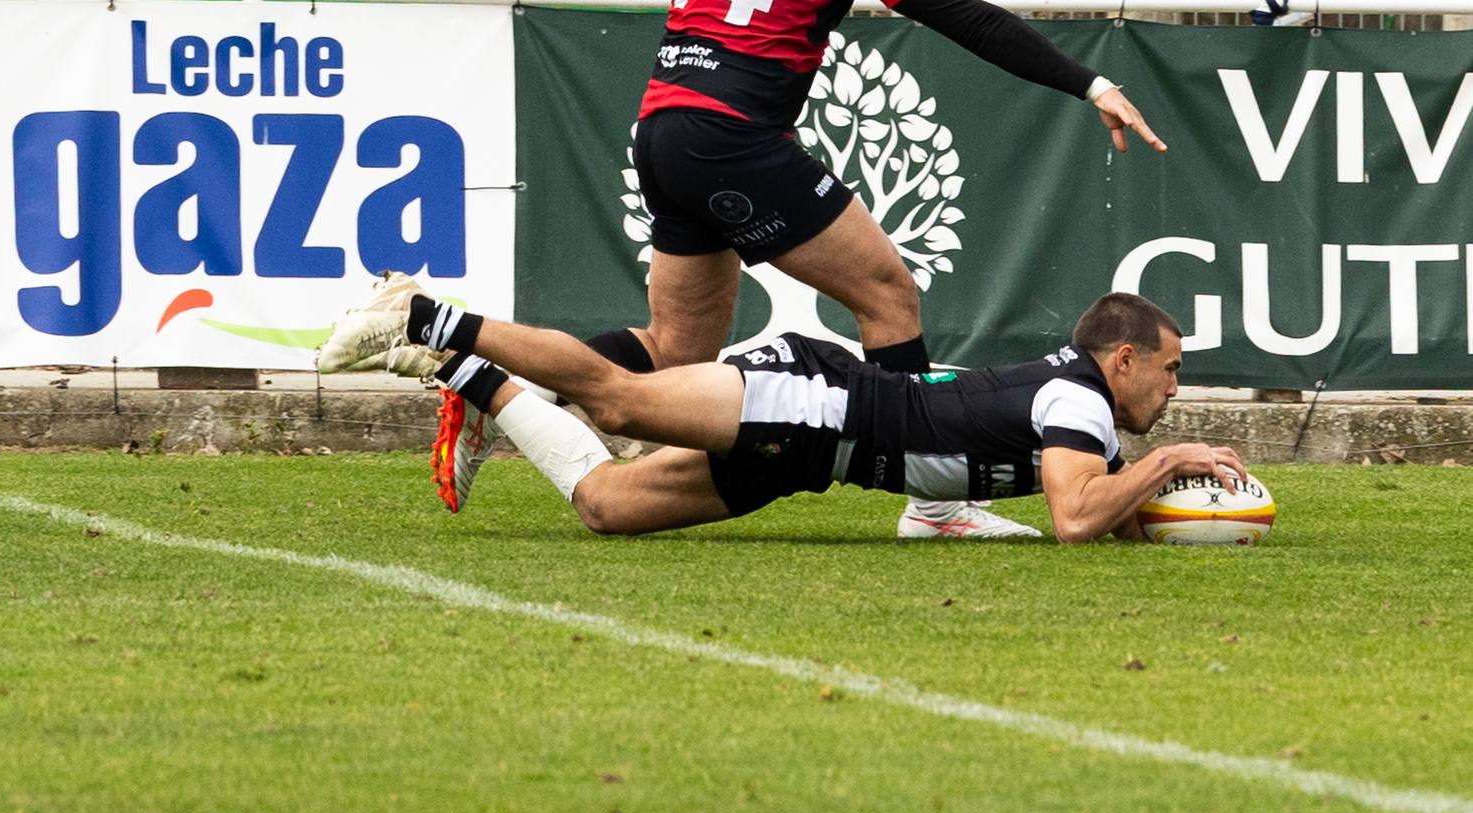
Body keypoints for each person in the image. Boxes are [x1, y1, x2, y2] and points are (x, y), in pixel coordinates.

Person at [373, 0, 1166, 539]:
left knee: (677, 346)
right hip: (732, 139)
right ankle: (934, 505)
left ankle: (497, 382)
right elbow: (954, 13)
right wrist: (1087, 81)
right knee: (887, 291)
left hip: (664, 131)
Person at [319, 283, 1242, 545]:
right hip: (811, 401)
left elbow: (1096, 507)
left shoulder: (1079, 411)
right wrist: (1164, 467)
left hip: (814, 457)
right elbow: (1076, 521)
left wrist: (1178, 499)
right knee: (619, 395)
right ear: (1120, 359)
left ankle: (471, 378)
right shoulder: (1078, 398)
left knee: (605, 506)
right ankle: (422, 314)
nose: (1171, 392)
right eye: (1167, 373)